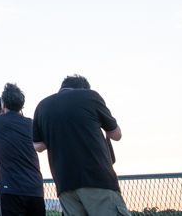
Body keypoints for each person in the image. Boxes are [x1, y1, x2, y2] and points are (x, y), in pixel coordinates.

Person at [32, 75, 130, 216]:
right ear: (83, 88)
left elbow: (38, 146)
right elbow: (116, 135)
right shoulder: (90, 96)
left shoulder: (42, 106)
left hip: (64, 184)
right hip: (96, 179)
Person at [0, 83, 45, 216]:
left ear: (3, 104)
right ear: (22, 105)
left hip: (10, 189)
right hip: (35, 188)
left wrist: (0, 112)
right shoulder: (31, 123)